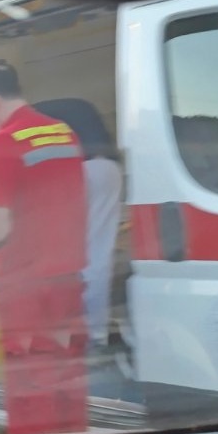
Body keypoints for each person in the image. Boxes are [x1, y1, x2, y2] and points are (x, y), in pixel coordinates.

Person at [0, 64, 89, 434]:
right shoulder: (63, 133)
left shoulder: (4, 143)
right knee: (67, 373)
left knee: (29, 384)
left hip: (24, 284)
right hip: (67, 279)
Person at [81, 126, 124, 352]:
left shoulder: (86, 171)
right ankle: (98, 340)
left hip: (81, 258)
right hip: (103, 256)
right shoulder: (114, 169)